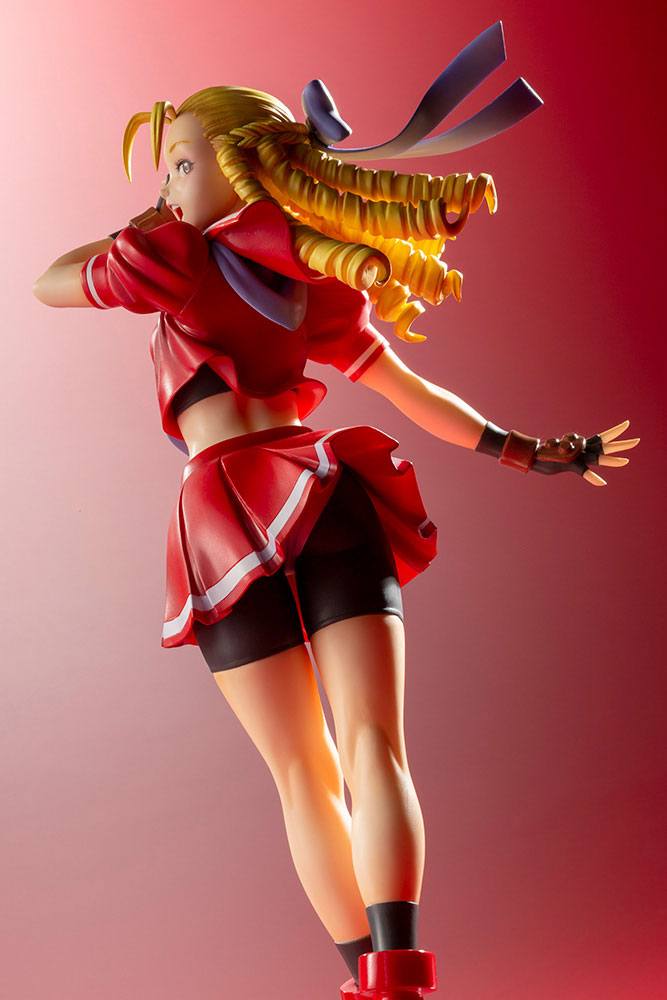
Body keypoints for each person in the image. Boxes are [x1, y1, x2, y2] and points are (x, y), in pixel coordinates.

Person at [32, 24, 638, 1000]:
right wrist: (528, 450)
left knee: (302, 772)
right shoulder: (307, 276)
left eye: (182, 162)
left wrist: (127, 242)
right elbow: (410, 392)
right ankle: (398, 967)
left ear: (241, 168)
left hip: (220, 514)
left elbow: (48, 282)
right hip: (320, 486)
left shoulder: (171, 256)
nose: (170, 183)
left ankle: (367, 980)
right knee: (372, 746)